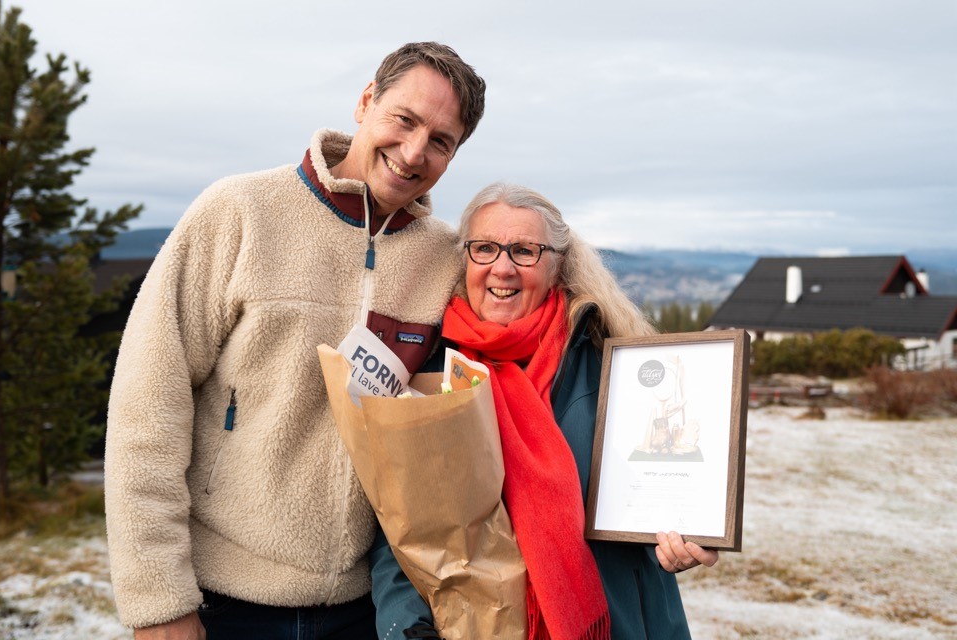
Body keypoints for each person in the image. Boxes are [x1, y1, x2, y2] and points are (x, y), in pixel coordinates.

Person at [104, 43, 486, 640]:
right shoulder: (238, 213)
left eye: (441, 141)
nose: (414, 152)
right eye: (404, 120)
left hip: (369, 609)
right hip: (222, 604)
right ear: (365, 102)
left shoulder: (445, 261)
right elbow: (146, 411)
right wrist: (159, 603)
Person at [379, 182, 719, 638]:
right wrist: (407, 629)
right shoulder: (429, 373)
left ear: (558, 265)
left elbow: (660, 497)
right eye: (484, 248)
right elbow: (397, 528)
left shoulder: (613, 366)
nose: (502, 268)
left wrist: (681, 539)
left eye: (524, 251)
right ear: (465, 259)